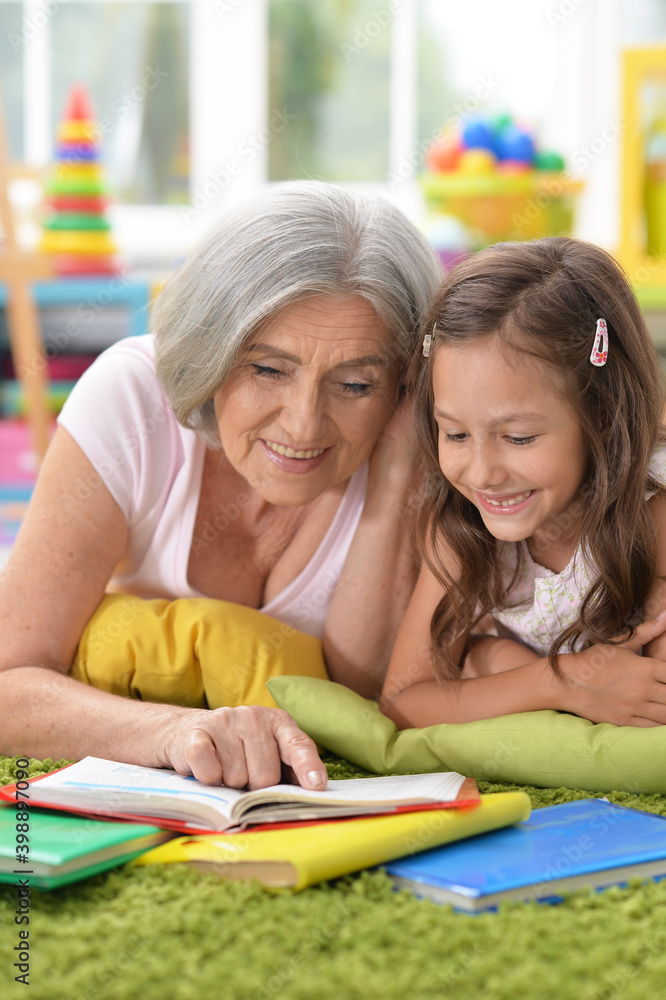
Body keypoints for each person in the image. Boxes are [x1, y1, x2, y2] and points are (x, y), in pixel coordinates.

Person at [0, 181, 441, 786]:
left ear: (405, 386)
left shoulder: (424, 442)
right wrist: (171, 730)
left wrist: (394, 479)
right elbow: (9, 681)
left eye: (356, 384)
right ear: (210, 347)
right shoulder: (131, 401)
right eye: (267, 369)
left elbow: (359, 700)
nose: (304, 424)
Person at [381, 237, 666, 731]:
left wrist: (488, 666)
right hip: (570, 679)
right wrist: (564, 680)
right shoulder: (461, 527)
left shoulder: (652, 514)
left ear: (602, 415)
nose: (482, 473)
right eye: (456, 433)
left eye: (518, 437)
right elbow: (404, 699)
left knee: (481, 657)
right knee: (481, 656)